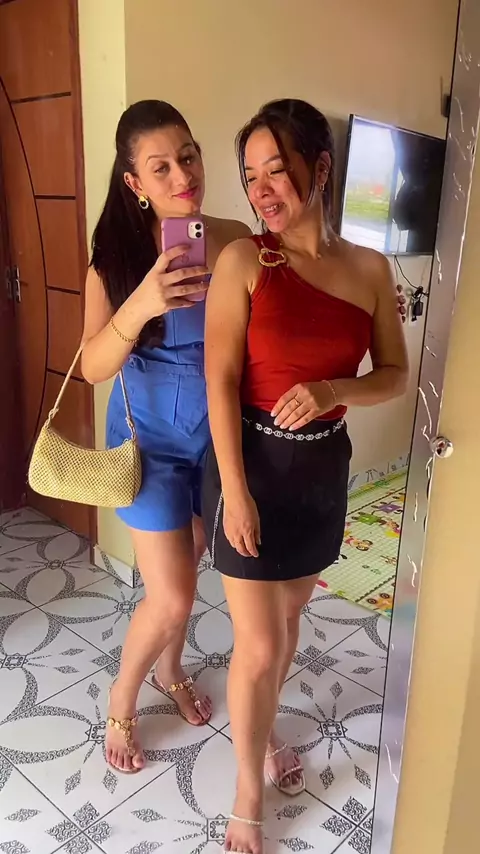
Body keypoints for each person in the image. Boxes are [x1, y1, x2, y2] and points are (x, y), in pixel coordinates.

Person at [202, 98, 409, 854]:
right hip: (249, 464)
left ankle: (262, 732)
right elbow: (221, 380)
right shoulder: (244, 261)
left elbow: (394, 373)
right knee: (258, 646)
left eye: (276, 171)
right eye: (250, 176)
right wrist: (234, 492)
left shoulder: (370, 269)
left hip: (322, 468)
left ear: (320, 169)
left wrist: (333, 390)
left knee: (288, 623)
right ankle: (247, 794)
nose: (261, 190)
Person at [81, 100, 250, 773]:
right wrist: (145, 300)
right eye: (161, 167)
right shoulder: (115, 261)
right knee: (173, 594)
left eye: (189, 155)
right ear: (135, 183)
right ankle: (122, 699)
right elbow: (93, 365)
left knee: (197, 553)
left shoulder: (230, 237)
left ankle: (170, 669)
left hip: (212, 437)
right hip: (146, 442)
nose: (183, 175)